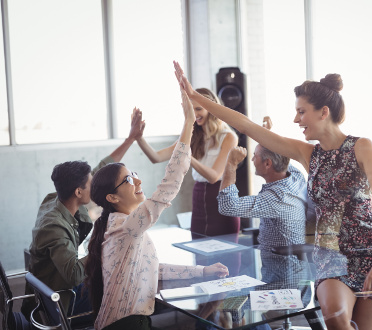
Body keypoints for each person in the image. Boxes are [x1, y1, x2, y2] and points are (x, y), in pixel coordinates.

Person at [173, 61, 372, 330]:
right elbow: (246, 126)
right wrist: (196, 97)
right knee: (336, 317)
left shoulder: (362, 147)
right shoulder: (308, 155)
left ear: (323, 112)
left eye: (301, 112)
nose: (296, 119)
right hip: (331, 259)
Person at [84, 89, 229, 330]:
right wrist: (188, 121)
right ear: (112, 197)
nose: (138, 182)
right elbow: (169, 185)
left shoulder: (123, 225)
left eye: (134, 175)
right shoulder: (126, 226)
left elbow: (153, 269)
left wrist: (203, 271)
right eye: (129, 180)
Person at [21, 108, 145, 320]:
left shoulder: (58, 197)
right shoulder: (54, 227)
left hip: (54, 285)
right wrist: (103, 246)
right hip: (59, 300)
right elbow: (74, 275)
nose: (95, 185)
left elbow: (101, 169)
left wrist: (130, 139)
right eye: (91, 184)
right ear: (78, 192)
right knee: (122, 291)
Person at [136, 88, 240, 237]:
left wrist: (187, 155)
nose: (195, 114)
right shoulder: (191, 136)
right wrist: (139, 138)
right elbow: (156, 157)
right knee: (199, 254)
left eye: (199, 109)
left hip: (220, 199)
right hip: (198, 198)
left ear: (211, 109)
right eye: (191, 110)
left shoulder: (229, 137)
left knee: (226, 256)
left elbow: (214, 177)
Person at [217, 116, 307, 252]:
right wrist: (267, 136)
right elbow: (282, 155)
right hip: (291, 265)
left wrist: (231, 164)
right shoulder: (296, 177)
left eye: (255, 155)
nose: (252, 159)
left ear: (267, 164)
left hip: (278, 269)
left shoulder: (276, 198)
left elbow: (227, 206)